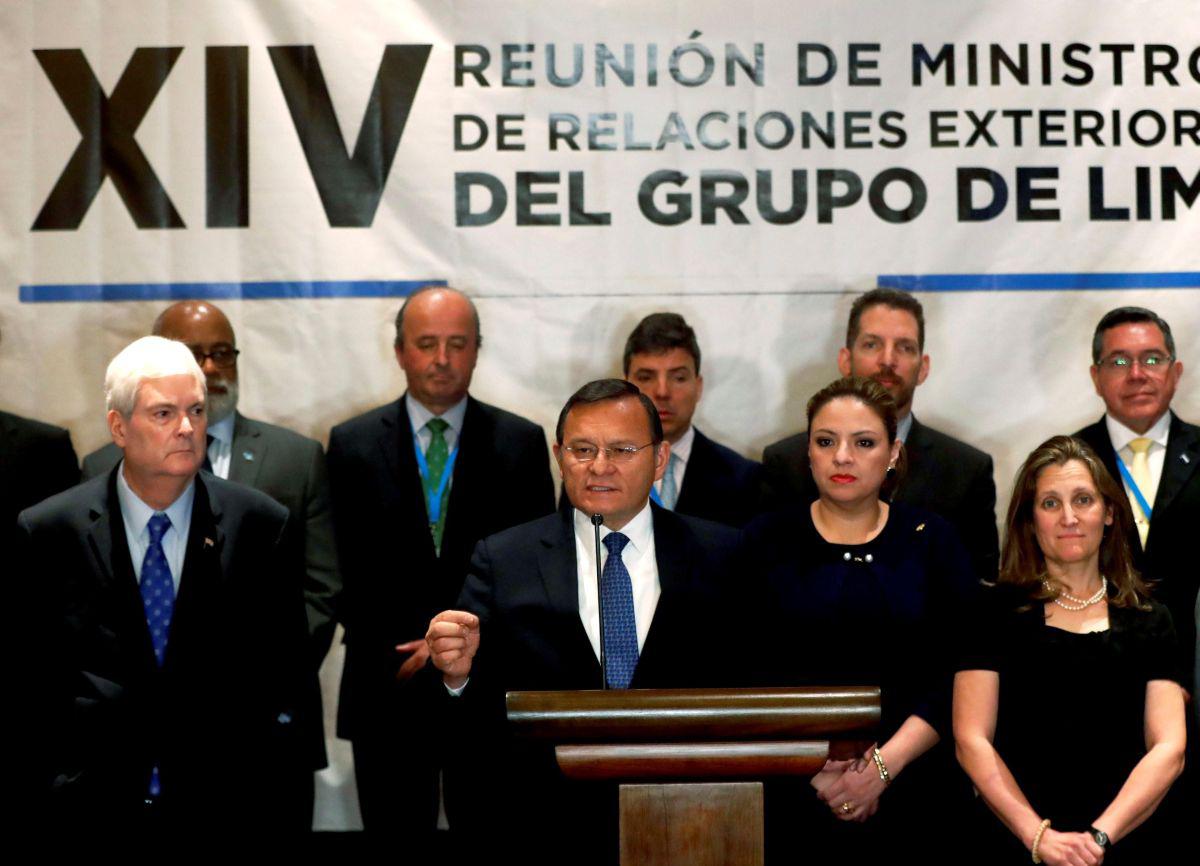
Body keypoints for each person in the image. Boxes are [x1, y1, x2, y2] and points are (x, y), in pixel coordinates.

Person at [425, 379, 739, 865]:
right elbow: (465, 718)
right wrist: (457, 674)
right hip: (545, 826)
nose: (599, 466)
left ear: (659, 459)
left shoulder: (723, 555)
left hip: (688, 819)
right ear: (559, 455)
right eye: (583, 449)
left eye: (621, 449)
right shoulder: (504, 558)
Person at [15, 336, 321, 832]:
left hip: (221, 804)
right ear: (118, 426)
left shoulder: (259, 524)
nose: (186, 428)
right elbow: (31, 682)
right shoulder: (51, 529)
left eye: (196, 411)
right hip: (88, 805)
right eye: (163, 414)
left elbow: (282, 672)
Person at [327, 286, 555, 840]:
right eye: (426, 343)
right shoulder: (351, 444)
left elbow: (533, 569)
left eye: (457, 343)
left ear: (478, 349)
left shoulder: (520, 442)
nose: (442, 359)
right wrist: (411, 641)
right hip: (385, 683)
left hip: (485, 684)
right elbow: (339, 566)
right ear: (401, 350)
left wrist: (454, 642)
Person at [746, 376, 977, 864]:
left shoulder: (934, 540)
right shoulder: (763, 542)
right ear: (807, 452)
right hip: (794, 793)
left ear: (893, 452)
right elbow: (747, 670)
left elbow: (958, 671)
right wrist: (817, 770)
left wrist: (881, 768)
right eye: (825, 441)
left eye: (863, 442)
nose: (842, 457)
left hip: (918, 787)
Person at [954, 435, 1186, 865]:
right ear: (1029, 518)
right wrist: (1039, 837)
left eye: (1083, 500)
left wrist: (1097, 840)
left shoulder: (1151, 618)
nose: (1069, 518)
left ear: (1110, 513)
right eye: (1050, 504)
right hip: (1017, 842)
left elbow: (1169, 747)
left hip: (1123, 841)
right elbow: (972, 740)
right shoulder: (992, 612)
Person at [82, 300, 341, 668]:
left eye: (222, 353)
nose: (209, 367)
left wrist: (266, 681)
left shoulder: (297, 458)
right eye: (193, 354)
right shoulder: (101, 468)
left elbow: (320, 591)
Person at [762, 288, 998, 580]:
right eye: (872, 344)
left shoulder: (966, 470)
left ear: (923, 368)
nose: (888, 360)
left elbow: (980, 592)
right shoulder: (784, 462)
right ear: (845, 359)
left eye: (904, 347)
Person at [1073, 307, 1199, 682]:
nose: (1137, 374)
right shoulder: (1066, 461)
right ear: (1096, 377)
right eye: (1119, 361)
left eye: (1152, 359)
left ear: (1175, 372)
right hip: (1090, 675)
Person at [623, 312, 762, 526]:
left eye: (678, 377)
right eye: (645, 377)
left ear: (698, 387)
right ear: (626, 387)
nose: (662, 391)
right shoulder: (593, 470)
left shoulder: (743, 479)